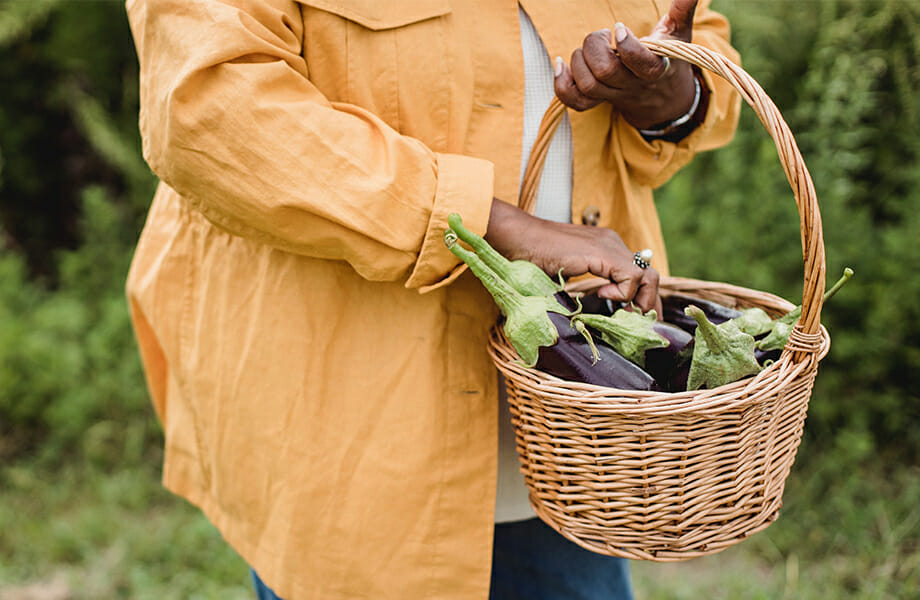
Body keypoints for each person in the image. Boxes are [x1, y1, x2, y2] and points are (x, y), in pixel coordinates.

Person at [125, 0, 740, 598]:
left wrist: (666, 94)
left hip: (587, 431)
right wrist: (492, 227)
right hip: (356, 418)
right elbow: (209, 110)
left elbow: (700, 46)